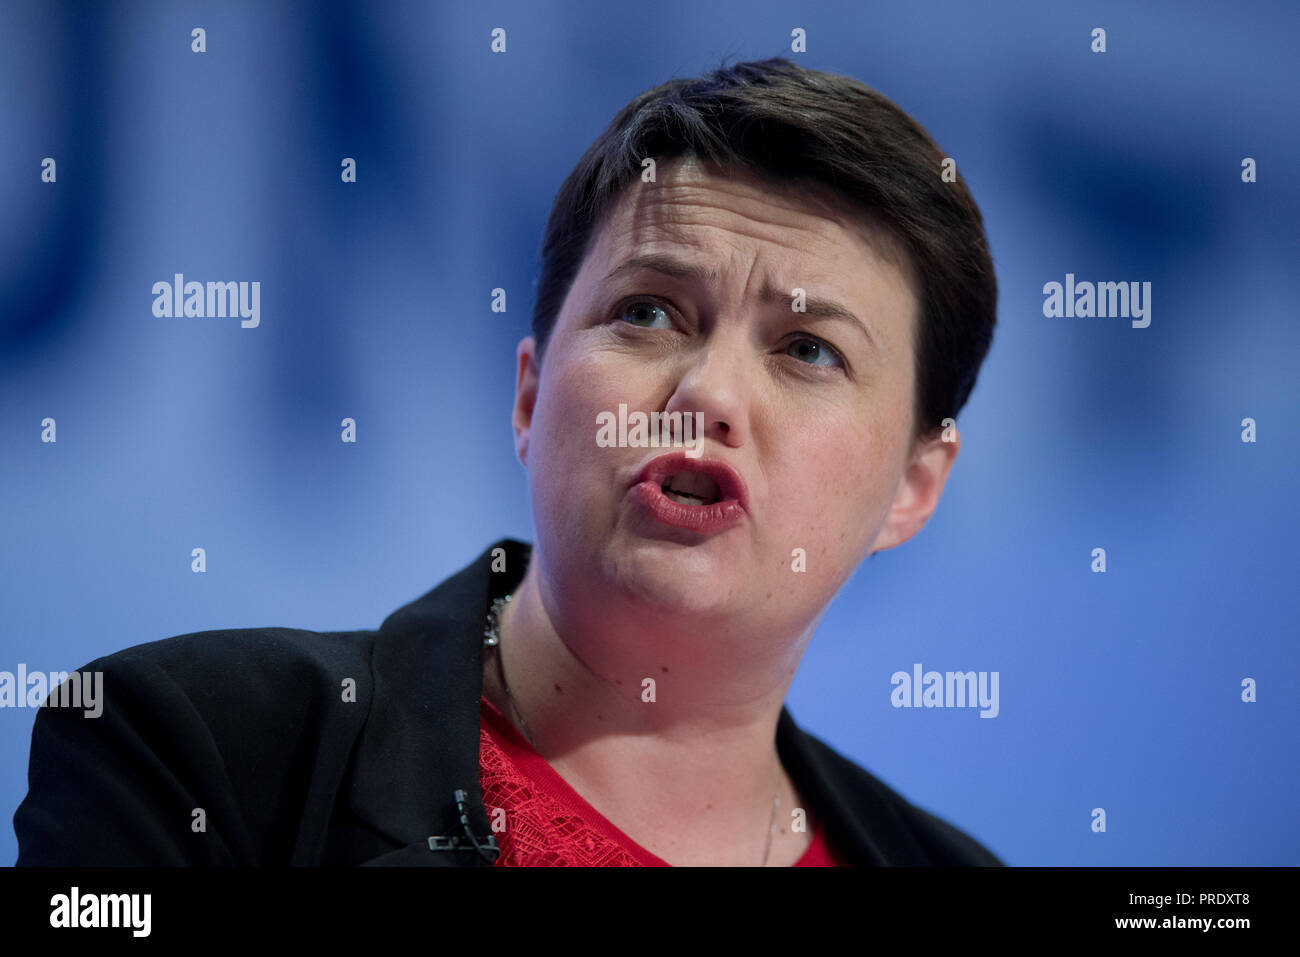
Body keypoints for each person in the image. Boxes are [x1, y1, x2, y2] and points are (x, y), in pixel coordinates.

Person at [15, 56, 999, 866]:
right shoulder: (194, 749)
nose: (707, 394)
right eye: (647, 313)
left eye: (807, 350)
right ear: (529, 396)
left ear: (914, 487)